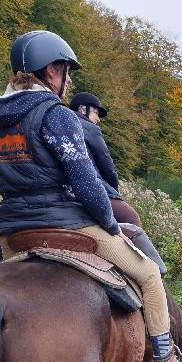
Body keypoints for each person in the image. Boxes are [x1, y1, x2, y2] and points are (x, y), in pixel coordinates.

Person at [0, 30, 182, 362]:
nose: (68, 81)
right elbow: (86, 182)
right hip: (65, 226)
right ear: (52, 70)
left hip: (12, 233)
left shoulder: (1, 120)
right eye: (66, 71)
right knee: (148, 275)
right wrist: (110, 224)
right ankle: (165, 361)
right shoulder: (56, 115)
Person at [69, 91, 167, 275]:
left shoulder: (61, 123)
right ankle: (146, 271)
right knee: (131, 218)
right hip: (92, 186)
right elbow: (107, 165)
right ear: (83, 109)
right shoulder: (89, 128)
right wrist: (113, 191)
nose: (98, 119)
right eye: (96, 113)